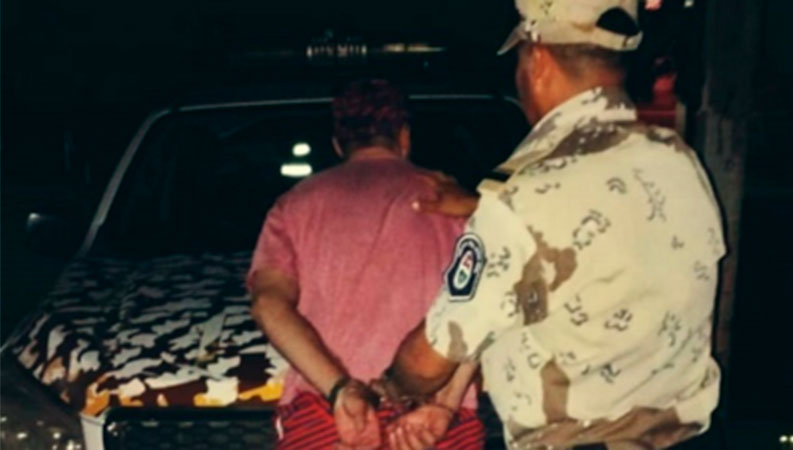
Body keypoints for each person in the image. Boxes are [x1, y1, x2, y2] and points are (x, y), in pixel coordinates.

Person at [380, 1, 726, 449]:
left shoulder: (523, 194)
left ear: (538, 60)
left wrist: (390, 387)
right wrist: (448, 403)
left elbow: (430, 360)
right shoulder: (678, 162)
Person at [248, 79, 484, 449]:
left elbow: (267, 303)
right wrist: (446, 404)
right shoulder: (452, 199)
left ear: (338, 144)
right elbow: (482, 305)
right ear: (404, 137)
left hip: (328, 419)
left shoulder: (294, 205)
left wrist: (339, 389)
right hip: (433, 421)